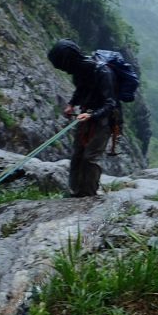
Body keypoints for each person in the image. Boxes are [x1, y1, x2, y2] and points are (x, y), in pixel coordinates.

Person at [47, 39, 118, 197]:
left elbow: (110, 103)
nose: (65, 71)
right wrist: (72, 104)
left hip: (103, 121)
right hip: (86, 117)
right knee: (77, 155)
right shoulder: (79, 71)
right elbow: (81, 90)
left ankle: (88, 195)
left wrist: (92, 115)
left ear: (68, 61)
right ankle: (75, 192)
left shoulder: (102, 72)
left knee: (89, 158)